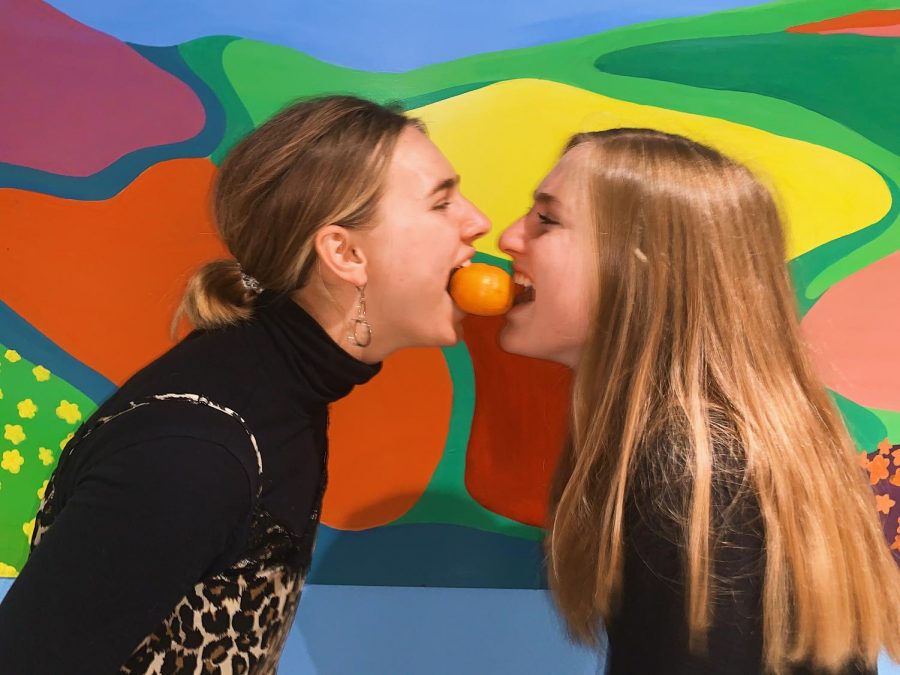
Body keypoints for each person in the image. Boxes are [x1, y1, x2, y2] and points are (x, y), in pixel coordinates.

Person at [0, 95, 489, 674]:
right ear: (345, 252)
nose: (478, 221)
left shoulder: (283, 395)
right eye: (441, 203)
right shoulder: (193, 450)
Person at [498, 128, 900, 674]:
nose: (507, 239)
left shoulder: (695, 471)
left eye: (547, 220)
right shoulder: (711, 450)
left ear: (644, 266)